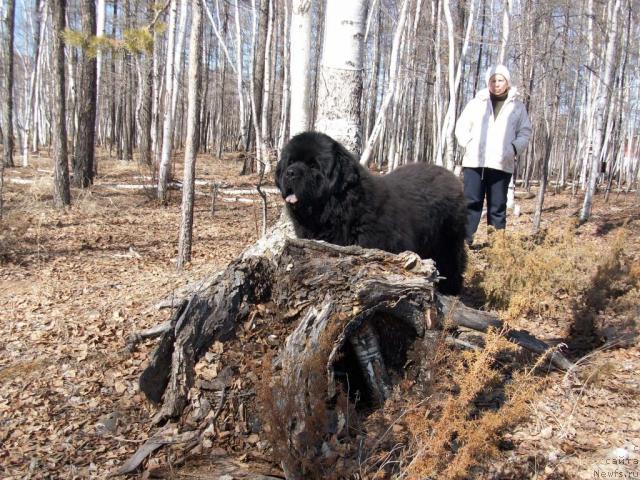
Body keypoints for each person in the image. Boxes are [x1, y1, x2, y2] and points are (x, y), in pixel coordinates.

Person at [455, 64, 532, 246]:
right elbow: (461, 127)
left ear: (507, 82)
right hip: (475, 162)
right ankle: (464, 244)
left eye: (500, 80)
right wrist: (468, 144)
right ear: (487, 82)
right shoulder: (476, 103)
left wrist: (513, 149)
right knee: (471, 204)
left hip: (501, 164)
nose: (496, 84)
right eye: (493, 80)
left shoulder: (517, 107)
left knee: (497, 207)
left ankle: (496, 248)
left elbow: (525, 132)